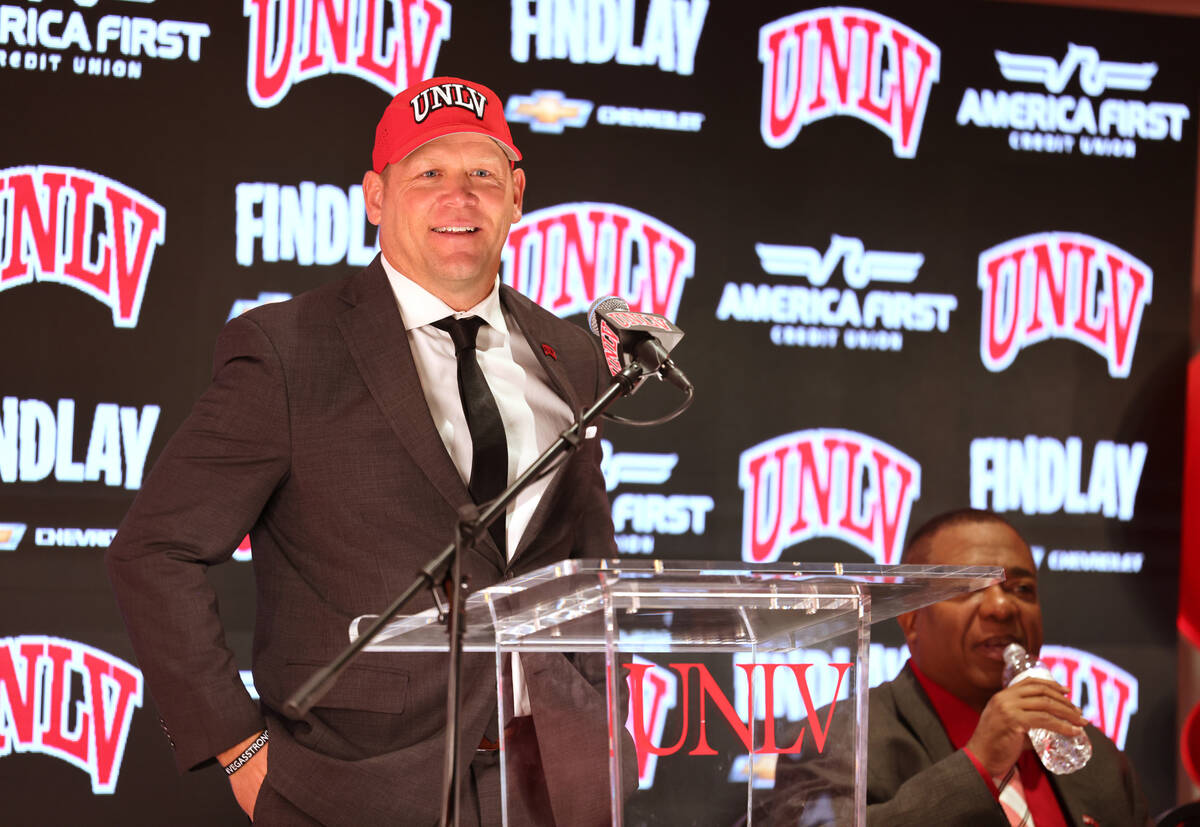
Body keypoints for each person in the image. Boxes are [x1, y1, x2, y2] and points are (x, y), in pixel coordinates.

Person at [105, 76, 627, 826]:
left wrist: (609, 724)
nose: (460, 196)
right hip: (351, 790)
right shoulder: (287, 351)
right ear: (376, 197)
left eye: (482, 173)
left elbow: (588, 562)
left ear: (516, 194)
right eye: (429, 174)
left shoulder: (572, 354)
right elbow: (153, 551)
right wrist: (240, 749)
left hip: (553, 785)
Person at [767, 508, 1151, 826]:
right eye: (968, 587)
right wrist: (979, 766)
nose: (1002, 608)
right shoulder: (840, 740)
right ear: (912, 617)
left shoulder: (1095, 758)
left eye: (1022, 589)